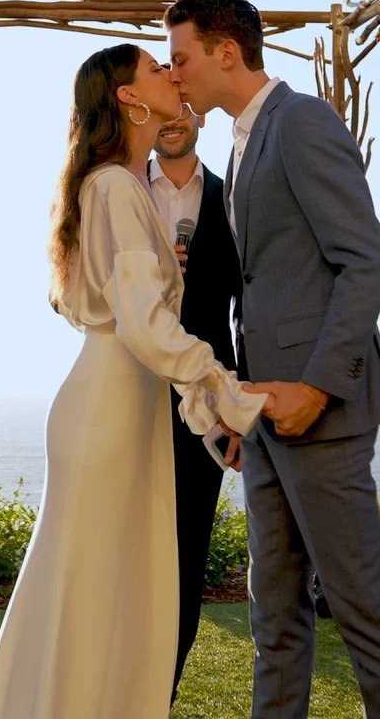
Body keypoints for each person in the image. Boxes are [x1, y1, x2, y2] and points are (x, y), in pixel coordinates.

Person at [0, 44, 266, 719]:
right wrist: (225, 392)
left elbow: (145, 327)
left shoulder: (110, 185)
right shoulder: (115, 188)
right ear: (130, 98)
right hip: (110, 414)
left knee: (112, 600)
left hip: (123, 406)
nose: (171, 74)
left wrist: (205, 405)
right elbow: (144, 324)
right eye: (156, 69)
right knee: (98, 601)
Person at [165, 0, 380, 719]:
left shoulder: (302, 121)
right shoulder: (240, 142)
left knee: (362, 610)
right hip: (266, 417)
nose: (173, 75)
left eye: (180, 58)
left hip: (319, 409)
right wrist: (241, 405)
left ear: (225, 53)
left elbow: (364, 261)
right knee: (273, 618)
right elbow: (262, 288)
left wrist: (318, 389)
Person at [143, 105, 242, 702]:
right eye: (159, 108)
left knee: (185, 560)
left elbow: (247, 307)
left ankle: (162, 698)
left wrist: (238, 404)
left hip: (205, 407)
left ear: (197, 115)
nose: (171, 119)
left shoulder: (232, 197)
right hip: (127, 396)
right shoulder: (119, 189)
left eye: (180, 107)